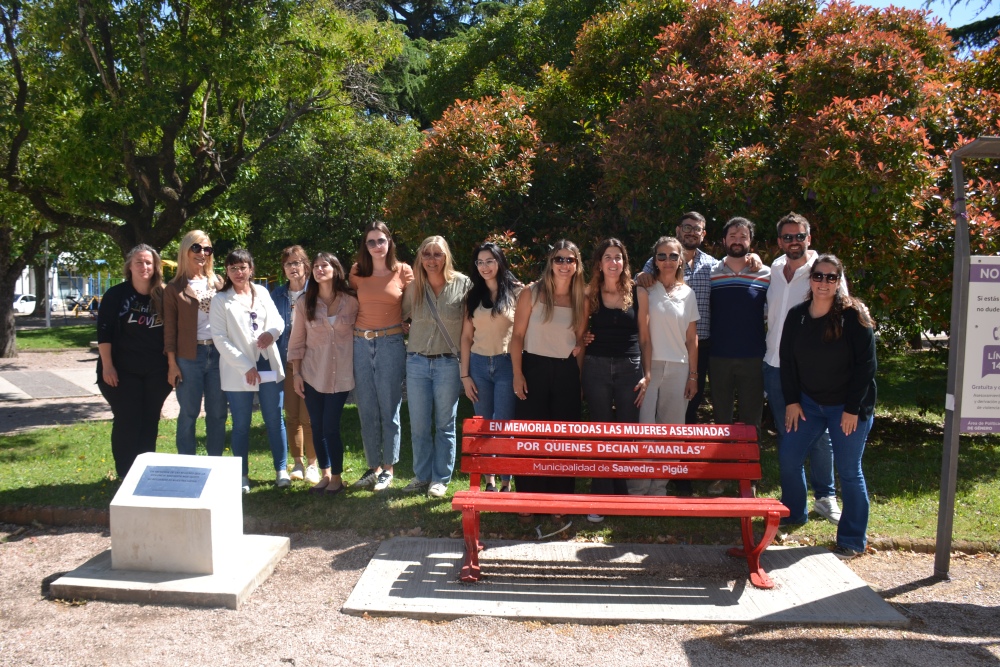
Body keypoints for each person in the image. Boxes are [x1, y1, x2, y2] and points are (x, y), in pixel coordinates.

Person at [779, 254, 876, 560]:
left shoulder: (854, 316)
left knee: (849, 471)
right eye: (818, 276)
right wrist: (792, 401)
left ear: (839, 281)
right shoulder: (797, 315)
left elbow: (866, 367)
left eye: (830, 277)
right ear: (810, 280)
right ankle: (794, 513)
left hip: (848, 407)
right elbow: (787, 363)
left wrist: (851, 409)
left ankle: (851, 539)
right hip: (808, 403)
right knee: (789, 457)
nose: (823, 282)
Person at [638, 213, 763, 425]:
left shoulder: (713, 265)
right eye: (687, 227)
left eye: (697, 229)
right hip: (660, 346)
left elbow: (736, 264)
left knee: (688, 405)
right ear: (678, 230)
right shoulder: (660, 258)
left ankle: (682, 453)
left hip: (700, 346)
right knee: (649, 412)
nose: (692, 232)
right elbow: (642, 280)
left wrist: (754, 257)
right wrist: (640, 276)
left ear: (703, 234)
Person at [764, 213, 844, 524]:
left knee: (819, 434)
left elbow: (842, 314)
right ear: (779, 241)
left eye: (799, 236)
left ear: (809, 238)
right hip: (774, 365)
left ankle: (825, 497)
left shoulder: (822, 272)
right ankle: (793, 504)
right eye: (787, 237)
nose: (793, 242)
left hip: (812, 371)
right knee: (788, 436)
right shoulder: (773, 268)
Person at [510, 240, 588, 497]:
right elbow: (517, 336)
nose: (564, 265)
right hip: (533, 368)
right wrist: (517, 374)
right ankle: (528, 498)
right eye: (559, 259)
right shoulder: (531, 292)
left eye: (570, 260)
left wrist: (578, 381)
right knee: (531, 436)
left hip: (566, 373)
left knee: (564, 439)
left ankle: (559, 498)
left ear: (577, 265)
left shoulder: (581, 299)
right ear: (550, 263)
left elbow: (579, 343)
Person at [211, 249, 289, 493]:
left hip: (267, 364)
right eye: (233, 268)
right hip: (239, 370)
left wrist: (271, 333)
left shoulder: (263, 292)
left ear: (251, 269)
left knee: (275, 420)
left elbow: (278, 321)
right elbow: (220, 338)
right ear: (227, 271)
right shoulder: (220, 300)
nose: (238, 272)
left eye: (243, 267)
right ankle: (242, 475)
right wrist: (246, 366)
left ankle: (281, 470)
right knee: (241, 424)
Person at [401, 237, 471, 498]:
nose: (432, 259)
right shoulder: (414, 287)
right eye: (427, 254)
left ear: (446, 257)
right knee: (418, 424)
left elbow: (476, 319)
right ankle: (422, 476)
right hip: (417, 362)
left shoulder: (463, 284)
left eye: (437, 254)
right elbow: (398, 314)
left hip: (447, 364)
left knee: (445, 423)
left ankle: (440, 479)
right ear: (420, 258)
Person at [582, 238, 646, 520]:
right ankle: (599, 497)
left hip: (630, 368)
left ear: (624, 262)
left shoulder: (637, 291)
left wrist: (648, 374)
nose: (613, 262)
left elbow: (645, 337)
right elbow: (581, 335)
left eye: (618, 257)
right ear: (599, 263)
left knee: (626, 431)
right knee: (600, 431)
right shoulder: (589, 294)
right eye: (608, 257)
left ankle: (620, 495)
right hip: (596, 367)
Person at [96, 244, 173, 478]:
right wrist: (107, 366)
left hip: (156, 373)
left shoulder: (164, 294)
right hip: (121, 371)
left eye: (149, 262)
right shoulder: (116, 295)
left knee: (150, 420)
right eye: (139, 262)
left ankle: (143, 473)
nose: (144, 266)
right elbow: (104, 332)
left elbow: (172, 334)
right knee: (128, 420)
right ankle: (125, 474)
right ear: (129, 266)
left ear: (156, 266)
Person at [706, 217, 771, 494]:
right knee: (721, 418)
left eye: (743, 236)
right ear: (723, 240)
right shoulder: (710, 272)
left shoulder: (766, 274)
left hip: (753, 357)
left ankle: (750, 477)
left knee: (750, 419)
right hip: (718, 356)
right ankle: (722, 473)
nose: (737, 239)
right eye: (732, 235)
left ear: (750, 242)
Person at [632, 237, 699, 496]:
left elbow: (692, 339)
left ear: (681, 260)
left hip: (679, 367)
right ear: (654, 260)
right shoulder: (645, 288)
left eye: (673, 256)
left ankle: (659, 487)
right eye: (662, 256)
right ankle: (638, 487)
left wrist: (693, 375)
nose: (667, 261)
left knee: (672, 431)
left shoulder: (688, 293)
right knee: (645, 428)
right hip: (649, 366)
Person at [349, 221, 414, 491]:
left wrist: (408, 322)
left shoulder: (404, 271)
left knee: (390, 407)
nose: (377, 246)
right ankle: (373, 466)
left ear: (390, 242)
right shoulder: (356, 272)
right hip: (360, 345)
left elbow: (414, 305)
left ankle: (388, 468)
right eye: (371, 242)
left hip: (391, 342)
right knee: (366, 408)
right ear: (366, 246)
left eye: (381, 241)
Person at [287, 253, 359, 496]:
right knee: (317, 426)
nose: (319, 269)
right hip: (311, 374)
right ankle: (325, 474)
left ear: (335, 269)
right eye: (315, 266)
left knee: (330, 426)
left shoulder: (351, 301)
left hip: (341, 376)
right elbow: (296, 340)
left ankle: (337, 477)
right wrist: (296, 374)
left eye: (324, 265)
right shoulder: (304, 302)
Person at [459, 242, 522, 493]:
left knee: (504, 425)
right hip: (478, 365)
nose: (485, 267)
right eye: (480, 262)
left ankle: (507, 481)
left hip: (507, 363)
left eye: (490, 261)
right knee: (483, 423)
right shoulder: (472, 296)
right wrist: (464, 375)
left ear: (500, 262)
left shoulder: (517, 292)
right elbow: (465, 337)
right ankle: (489, 480)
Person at [164, 230, 228, 457]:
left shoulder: (218, 283)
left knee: (218, 413)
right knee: (189, 413)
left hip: (219, 355)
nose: (202, 253)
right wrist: (172, 364)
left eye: (207, 249)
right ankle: (186, 464)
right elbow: (169, 330)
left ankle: (215, 464)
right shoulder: (174, 288)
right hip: (189, 357)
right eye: (197, 248)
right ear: (186, 250)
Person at [271, 245, 318, 484]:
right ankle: (297, 462)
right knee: (291, 415)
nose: (293, 268)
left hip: (311, 362)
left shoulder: (316, 292)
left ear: (305, 266)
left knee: (309, 416)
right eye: (288, 264)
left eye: (297, 263)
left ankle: (312, 464)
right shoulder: (276, 294)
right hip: (285, 361)